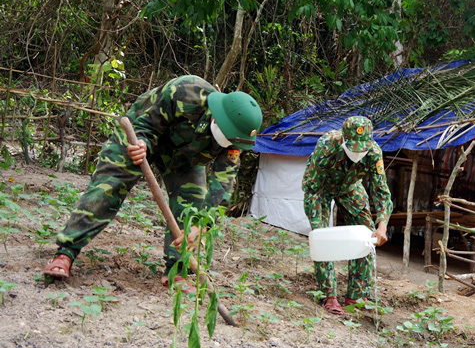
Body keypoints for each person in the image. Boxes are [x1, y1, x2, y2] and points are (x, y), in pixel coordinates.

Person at [43, 75, 263, 290]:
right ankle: (66, 252)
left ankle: (177, 269)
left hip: (184, 157)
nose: (230, 144)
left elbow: (222, 185)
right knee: (107, 188)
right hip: (140, 136)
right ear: (217, 118)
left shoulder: (236, 140)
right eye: (227, 138)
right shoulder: (186, 91)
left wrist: (201, 225)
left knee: (192, 207)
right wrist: (141, 143)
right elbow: (147, 124)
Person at [302, 116, 392, 315]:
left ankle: (356, 295)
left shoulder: (374, 152)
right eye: (354, 148)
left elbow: (381, 190)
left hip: (351, 187)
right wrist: (319, 223)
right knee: (322, 238)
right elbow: (312, 186)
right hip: (321, 188)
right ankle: (329, 295)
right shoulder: (327, 146)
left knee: (367, 235)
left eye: (363, 148)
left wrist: (382, 225)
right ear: (344, 140)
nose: (359, 152)